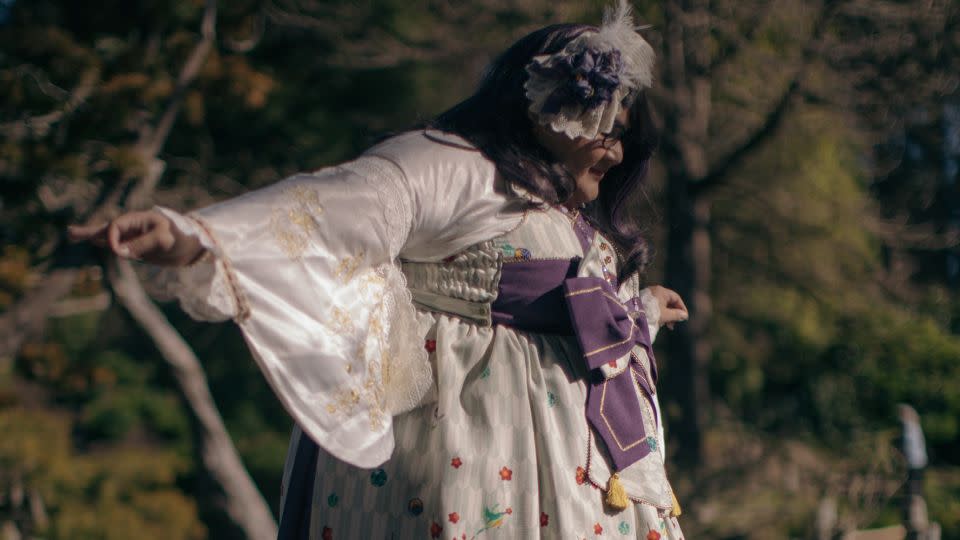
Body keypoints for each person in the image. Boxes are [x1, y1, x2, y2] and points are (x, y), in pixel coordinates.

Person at [70, 1, 689, 538]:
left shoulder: (574, 213)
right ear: (548, 107)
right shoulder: (458, 166)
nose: (619, 148)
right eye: (606, 127)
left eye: (627, 135)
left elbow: (579, 318)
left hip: (578, 469)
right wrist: (192, 236)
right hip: (473, 448)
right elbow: (339, 207)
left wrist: (643, 310)